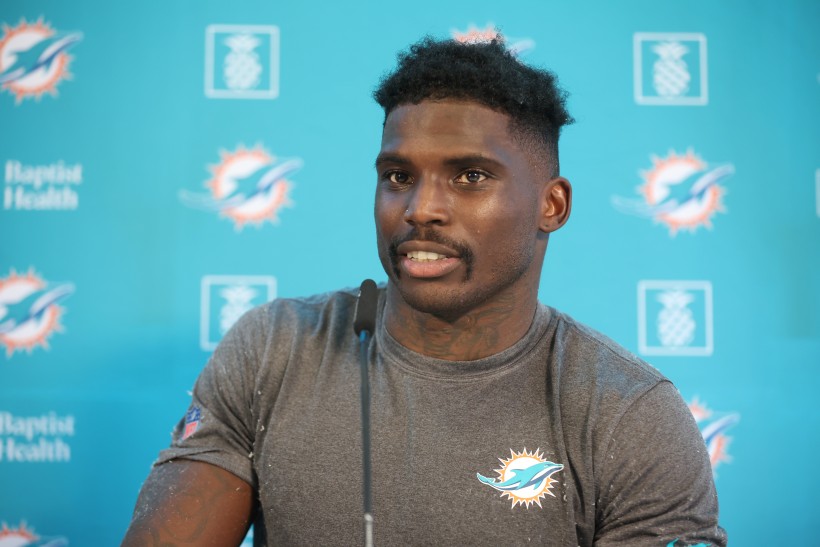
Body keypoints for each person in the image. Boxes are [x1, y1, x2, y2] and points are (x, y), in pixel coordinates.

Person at [123, 36, 726, 546]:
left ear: (552, 204)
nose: (421, 208)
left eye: (470, 176)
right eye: (398, 177)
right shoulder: (273, 348)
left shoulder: (630, 414)